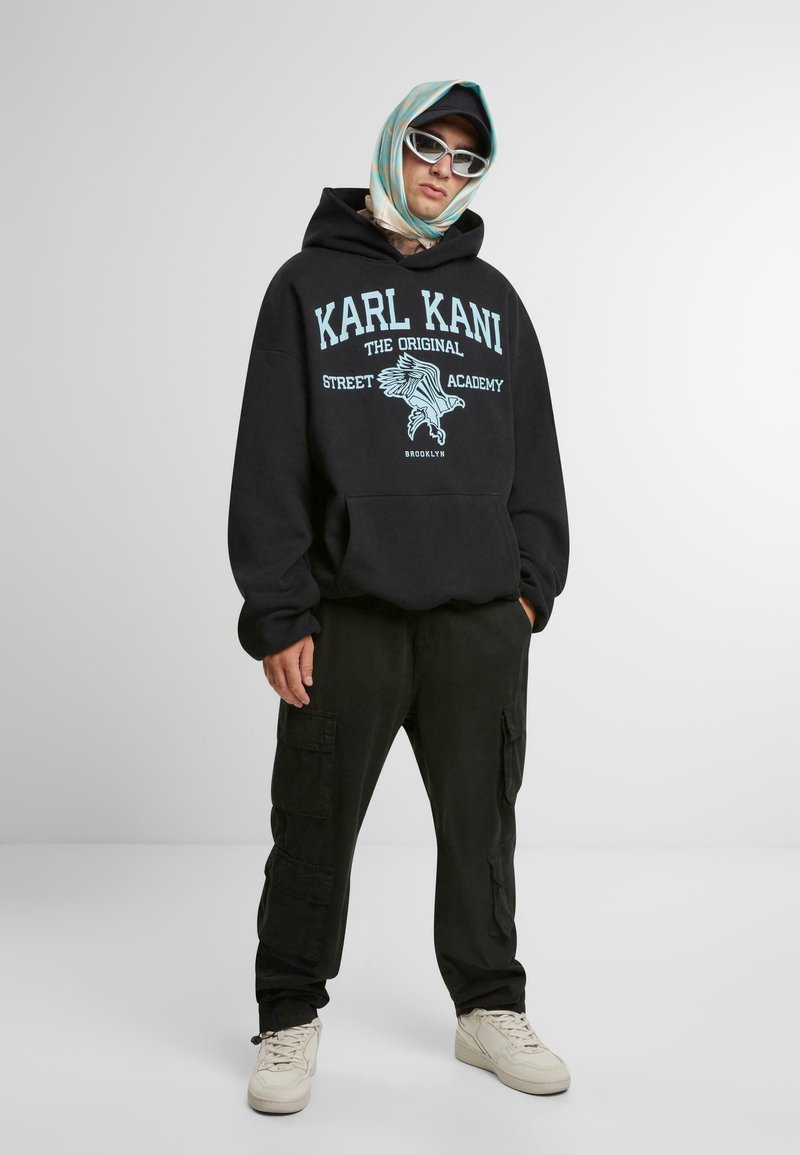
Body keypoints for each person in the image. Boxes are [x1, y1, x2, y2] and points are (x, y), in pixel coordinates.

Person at [228, 79, 571, 1115]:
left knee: (481, 831)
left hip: (476, 619)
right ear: (393, 144)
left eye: (467, 160)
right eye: (429, 145)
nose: (442, 171)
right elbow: (269, 457)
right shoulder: (305, 286)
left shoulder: (494, 298)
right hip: (350, 615)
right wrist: (279, 611)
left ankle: (487, 1005)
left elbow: (534, 454)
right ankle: (288, 1014)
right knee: (313, 823)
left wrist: (527, 590)